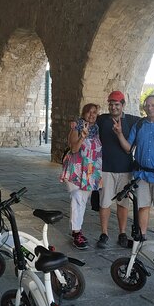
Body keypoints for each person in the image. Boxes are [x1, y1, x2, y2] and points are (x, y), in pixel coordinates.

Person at [113, 94, 154, 245]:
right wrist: (119, 134)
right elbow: (129, 148)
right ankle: (143, 236)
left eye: (153, 105)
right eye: (147, 105)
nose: (150, 108)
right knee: (143, 207)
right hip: (142, 174)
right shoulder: (139, 125)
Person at [94, 91, 141, 249]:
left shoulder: (132, 121)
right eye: (111, 104)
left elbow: (151, 120)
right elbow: (86, 118)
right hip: (105, 168)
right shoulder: (102, 120)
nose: (113, 107)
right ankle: (104, 233)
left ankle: (122, 232)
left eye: (117, 104)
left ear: (123, 105)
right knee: (105, 202)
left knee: (123, 203)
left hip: (125, 169)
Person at [60, 103, 102, 250]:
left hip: (89, 171)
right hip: (76, 169)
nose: (92, 115)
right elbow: (74, 148)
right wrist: (82, 137)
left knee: (82, 200)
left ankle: (77, 229)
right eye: (89, 112)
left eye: (94, 112)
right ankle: (76, 232)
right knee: (77, 198)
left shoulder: (96, 129)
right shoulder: (76, 126)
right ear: (83, 113)